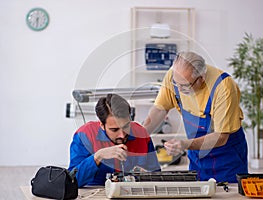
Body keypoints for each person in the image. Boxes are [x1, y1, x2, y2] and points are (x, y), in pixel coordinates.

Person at [144, 51, 248, 183]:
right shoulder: (174, 77)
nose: (179, 89)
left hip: (227, 157)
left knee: (228, 195)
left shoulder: (223, 87)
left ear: (201, 78)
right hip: (197, 155)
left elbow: (221, 137)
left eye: (185, 86)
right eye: (177, 84)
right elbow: (160, 108)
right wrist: (140, 135)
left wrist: (184, 144)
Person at [68, 93, 161, 187]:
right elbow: (71, 181)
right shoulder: (85, 135)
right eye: (114, 130)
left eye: (126, 126)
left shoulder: (141, 134)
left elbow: (157, 177)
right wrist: (97, 157)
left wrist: (146, 176)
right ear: (102, 125)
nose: (122, 134)